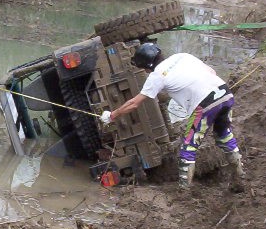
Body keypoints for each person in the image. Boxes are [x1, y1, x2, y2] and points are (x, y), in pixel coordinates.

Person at [100, 43, 245, 192]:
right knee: (223, 135)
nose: (145, 71)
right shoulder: (182, 56)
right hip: (224, 93)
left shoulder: (157, 75)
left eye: (143, 68)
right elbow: (211, 72)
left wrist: (112, 115)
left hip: (205, 105)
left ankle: (184, 191)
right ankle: (239, 178)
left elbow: (134, 104)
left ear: (147, 66)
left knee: (188, 147)